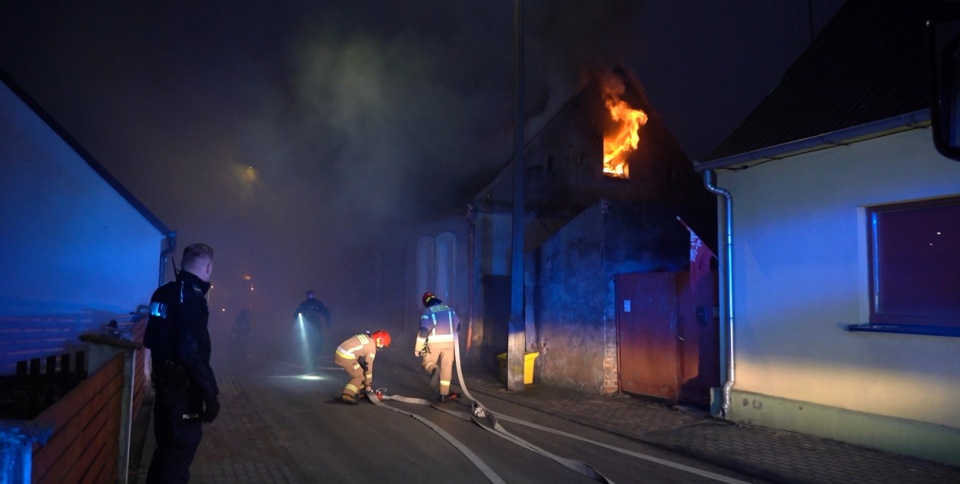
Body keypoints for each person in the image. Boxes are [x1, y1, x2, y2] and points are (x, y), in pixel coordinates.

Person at [144, 243, 220, 483]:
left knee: (164, 453)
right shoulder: (193, 298)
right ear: (208, 267)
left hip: (165, 389)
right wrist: (210, 395)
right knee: (177, 456)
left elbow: (151, 339)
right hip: (183, 394)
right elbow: (192, 352)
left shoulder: (162, 293)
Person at [414, 292, 461, 402]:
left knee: (427, 363)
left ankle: (434, 369)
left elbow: (423, 331)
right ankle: (444, 394)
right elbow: (458, 326)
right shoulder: (450, 310)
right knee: (447, 368)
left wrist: (418, 348)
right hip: (449, 344)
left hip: (434, 343)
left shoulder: (427, 312)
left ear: (426, 303)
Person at [334, 330, 390, 404]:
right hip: (346, 356)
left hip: (341, 352)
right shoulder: (371, 347)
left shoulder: (365, 337)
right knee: (360, 376)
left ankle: (359, 392)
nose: (382, 347)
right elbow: (368, 367)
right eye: (382, 344)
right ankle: (347, 395)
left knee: (361, 370)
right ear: (379, 340)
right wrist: (368, 385)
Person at [293, 289, 331, 355]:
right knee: (308, 337)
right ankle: (309, 351)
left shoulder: (318, 303)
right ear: (307, 295)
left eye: (311, 294)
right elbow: (296, 314)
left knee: (317, 337)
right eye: (309, 294)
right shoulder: (304, 304)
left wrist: (328, 323)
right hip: (307, 324)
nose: (310, 296)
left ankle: (318, 350)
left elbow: (326, 312)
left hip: (316, 323)